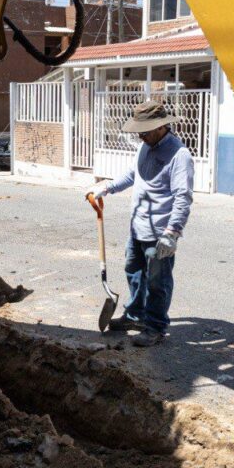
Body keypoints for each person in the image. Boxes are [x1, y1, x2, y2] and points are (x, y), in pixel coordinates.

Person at [86, 100, 194, 347]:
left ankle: (156, 327)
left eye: (144, 131)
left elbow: (183, 197)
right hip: (138, 227)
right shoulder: (145, 146)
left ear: (160, 127)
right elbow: (133, 175)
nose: (140, 136)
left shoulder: (179, 155)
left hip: (160, 232)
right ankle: (135, 315)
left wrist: (173, 232)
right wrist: (107, 187)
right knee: (133, 271)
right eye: (138, 132)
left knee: (158, 282)